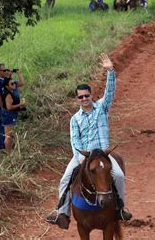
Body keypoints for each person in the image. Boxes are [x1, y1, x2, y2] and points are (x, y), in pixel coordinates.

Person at [46, 53, 132, 229]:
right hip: (83, 156)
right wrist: (80, 159)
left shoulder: (102, 107)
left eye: (86, 95)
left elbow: (110, 92)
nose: (84, 99)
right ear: (77, 99)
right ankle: (62, 213)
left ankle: (120, 208)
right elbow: (74, 141)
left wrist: (110, 71)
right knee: (65, 180)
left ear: (91, 95)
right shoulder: (75, 119)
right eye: (80, 97)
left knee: (119, 175)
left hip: (102, 154)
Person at [1, 77, 26, 154]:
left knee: (11, 134)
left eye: (14, 83)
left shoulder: (10, 92)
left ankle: (11, 153)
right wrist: (20, 104)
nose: (14, 85)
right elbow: (9, 107)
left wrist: (20, 106)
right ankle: (9, 155)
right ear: (6, 86)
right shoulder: (8, 94)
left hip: (10, 115)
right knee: (8, 136)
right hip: (9, 115)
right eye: (12, 84)